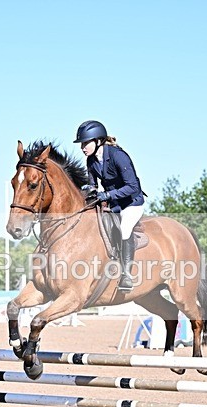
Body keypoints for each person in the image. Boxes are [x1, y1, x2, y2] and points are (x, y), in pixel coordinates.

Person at [74, 120, 144, 291]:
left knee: (125, 228)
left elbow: (133, 187)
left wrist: (107, 195)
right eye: (81, 144)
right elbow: (93, 185)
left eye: (85, 143)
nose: (82, 147)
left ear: (98, 141)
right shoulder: (91, 161)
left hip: (132, 203)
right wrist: (87, 192)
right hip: (114, 205)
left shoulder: (118, 156)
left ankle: (127, 275)